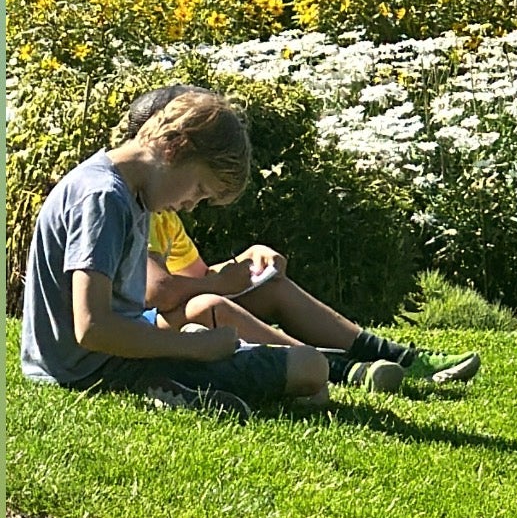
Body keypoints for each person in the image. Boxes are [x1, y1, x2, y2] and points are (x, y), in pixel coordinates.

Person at [126, 85, 480, 390]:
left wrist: (245, 262)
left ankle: (398, 357)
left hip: (166, 317)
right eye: (200, 189)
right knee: (210, 305)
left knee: (270, 286)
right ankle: (341, 371)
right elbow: (156, 292)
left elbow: (194, 279)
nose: (192, 204)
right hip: (142, 330)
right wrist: (221, 284)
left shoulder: (165, 215)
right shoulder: (138, 206)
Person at [21, 88, 329, 419]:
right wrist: (193, 349)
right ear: (174, 147)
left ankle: (176, 379)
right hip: (91, 368)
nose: (190, 206)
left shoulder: (122, 191)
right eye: (198, 190)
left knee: (229, 333)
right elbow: (92, 327)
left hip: (93, 355)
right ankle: (162, 383)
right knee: (310, 366)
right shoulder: (104, 199)